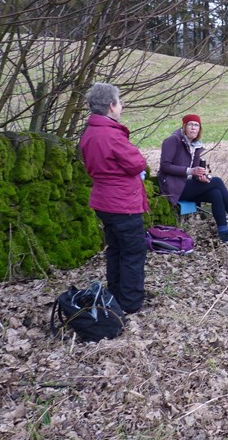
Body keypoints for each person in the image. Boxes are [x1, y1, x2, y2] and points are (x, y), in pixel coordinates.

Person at [79, 82, 149, 314]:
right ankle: (130, 303)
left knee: (116, 249)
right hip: (122, 203)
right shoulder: (110, 134)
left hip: (104, 200)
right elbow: (137, 163)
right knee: (132, 252)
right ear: (111, 105)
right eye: (119, 102)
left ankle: (116, 296)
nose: (122, 106)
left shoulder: (90, 131)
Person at [157, 114, 228, 246]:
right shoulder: (173, 141)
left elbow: (195, 171)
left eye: (196, 125)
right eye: (190, 124)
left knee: (216, 193)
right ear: (184, 126)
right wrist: (191, 171)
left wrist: (202, 176)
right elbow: (165, 166)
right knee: (217, 181)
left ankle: (224, 233)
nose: (193, 128)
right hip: (173, 187)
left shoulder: (195, 145)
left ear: (199, 129)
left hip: (186, 185)